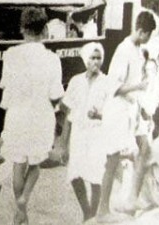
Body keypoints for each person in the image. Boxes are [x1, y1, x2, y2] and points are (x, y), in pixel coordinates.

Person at [0, 7, 64, 225]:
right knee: (35, 164)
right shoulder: (52, 59)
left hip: (17, 115)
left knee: (18, 163)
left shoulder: (10, 54)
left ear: (22, 29)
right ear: (45, 30)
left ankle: (21, 211)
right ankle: (23, 201)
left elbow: (6, 88)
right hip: (40, 115)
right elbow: (55, 95)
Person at [97, 10, 156, 222]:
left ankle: (130, 198)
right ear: (141, 31)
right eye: (148, 35)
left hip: (130, 109)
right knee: (112, 160)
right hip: (117, 111)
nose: (149, 39)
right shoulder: (123, 50)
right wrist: (139, 86)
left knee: (144, 148)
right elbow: (115, 87)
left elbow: (133, 88)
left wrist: (141, 108)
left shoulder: (138, 50)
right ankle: (102, 210)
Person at [60, 42, 119, 222]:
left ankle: (93, 216)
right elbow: (68, 113)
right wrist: (63, 144)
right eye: (92, 58)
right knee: (75, 174)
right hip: (78, 134)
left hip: (98, 134)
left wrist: (99, 115)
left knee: (96, 177)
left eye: (99, 58)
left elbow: (114, 114)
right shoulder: (75, 81)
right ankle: (87, 212)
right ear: (86, 60)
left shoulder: (107, 82)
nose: (96, 62)